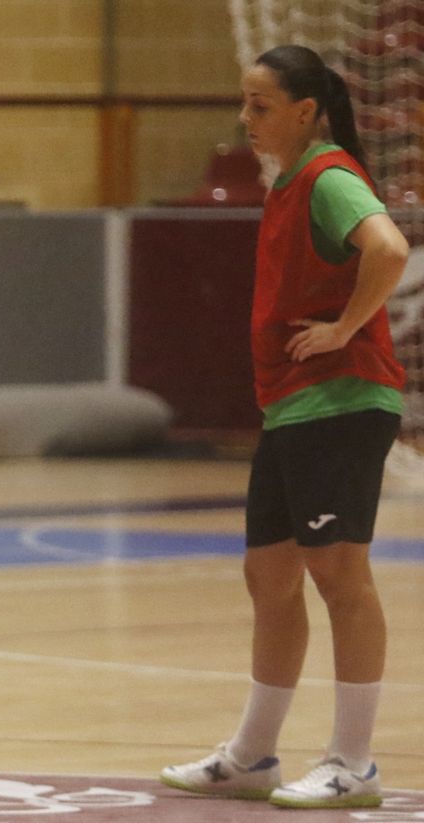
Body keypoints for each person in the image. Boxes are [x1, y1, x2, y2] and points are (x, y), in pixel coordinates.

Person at [159, 44, 410, 810]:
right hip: (292, 408)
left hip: (340, 402)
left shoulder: (330, 177)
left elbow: (391, 249)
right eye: (244, 102)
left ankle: (353, 763)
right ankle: (253, 754)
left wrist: (342, 328)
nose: (246, 119)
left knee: (340, 577)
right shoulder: (290, 185)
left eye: (260, 105)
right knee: (270, 578)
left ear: (307, 111)